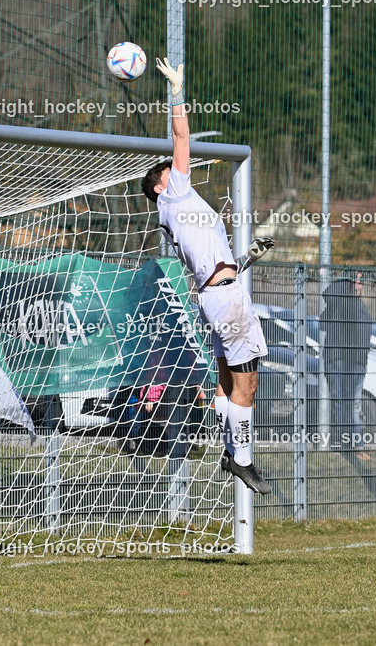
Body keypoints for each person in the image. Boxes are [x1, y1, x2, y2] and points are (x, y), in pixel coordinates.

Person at [140, 57, 271, 494]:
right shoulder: (174, 192)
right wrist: (176, 92)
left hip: (215, 295)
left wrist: (239, 259)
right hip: (225, 298)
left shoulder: (175, 205)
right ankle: (242, 458)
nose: (177, 169)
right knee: (246, 382)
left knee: (223, 375)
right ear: (161, 185)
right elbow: (181, 135)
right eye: (169, 171)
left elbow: (209, 252)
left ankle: (226, 443)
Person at [320, 274, 373, 459]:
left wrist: (362, 360)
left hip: (357, 363)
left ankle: (357, 445)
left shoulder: (361, 307)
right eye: (356, 280)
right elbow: (329, 293)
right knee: (341, 403)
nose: (360, 284)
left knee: (354, 405)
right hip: (339, 359)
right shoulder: (340, 302)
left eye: (361, 280)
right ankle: (346, 444)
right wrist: (345, 281)